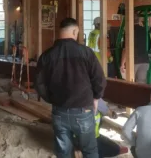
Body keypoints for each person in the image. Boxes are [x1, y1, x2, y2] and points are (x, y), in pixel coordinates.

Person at [35, 17, 107, 158]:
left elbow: (39, 84)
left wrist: (51, 98)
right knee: (89, 151)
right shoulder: (86, 53)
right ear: (75, 31)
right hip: (83, 110)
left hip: (59, 111)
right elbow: (99, 79)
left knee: (63, 153)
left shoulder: (47, 55)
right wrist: (96, 97)